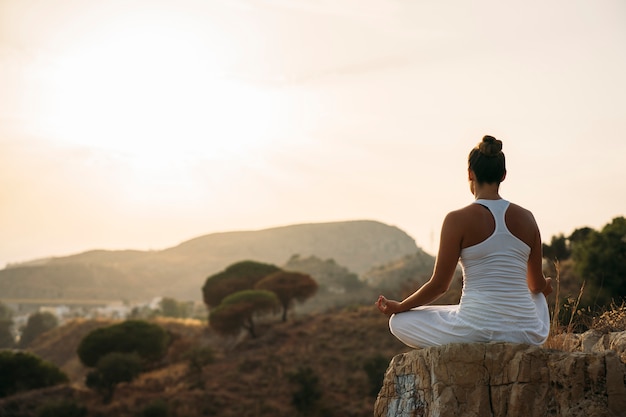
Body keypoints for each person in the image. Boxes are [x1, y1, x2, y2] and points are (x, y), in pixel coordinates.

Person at [376, 135, 552, 348]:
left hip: (476, 329)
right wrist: (546, 286)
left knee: (399, 322)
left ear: (470, 173)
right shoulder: (527, 218)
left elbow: (440, 285)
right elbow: (535, 285)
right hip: (526, 332)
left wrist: (401, 306)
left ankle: (475, 324)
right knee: (537, 298)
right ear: (503, 176)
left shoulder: (456, 220)